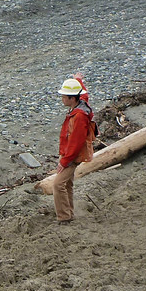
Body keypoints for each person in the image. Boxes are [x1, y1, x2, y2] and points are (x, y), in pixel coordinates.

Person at [52, 78, 96, 222]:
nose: (62, 99)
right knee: (67, 183)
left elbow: (76, 142)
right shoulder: (80, 104)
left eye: (64, 96)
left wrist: (64, 161)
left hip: (72, 156)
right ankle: (68, 213)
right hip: (68, 153)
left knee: (58, 184)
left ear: (72, 98)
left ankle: (64, 217)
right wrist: (78, 80)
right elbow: (84, 95)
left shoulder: (79, 117)